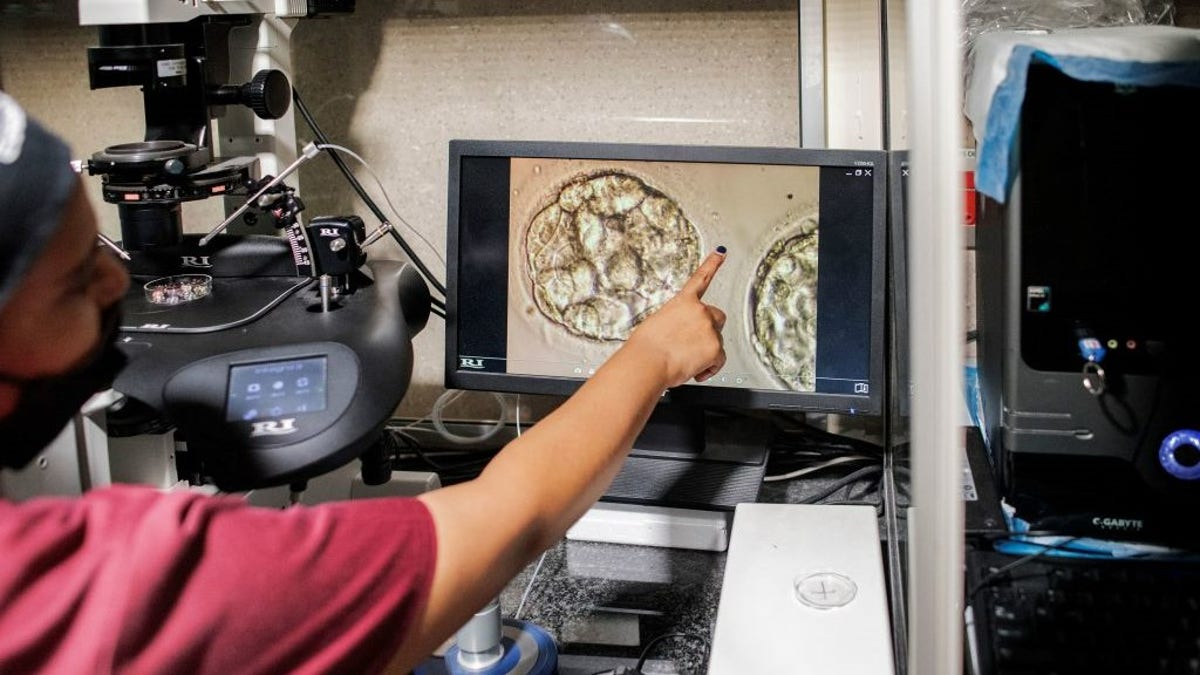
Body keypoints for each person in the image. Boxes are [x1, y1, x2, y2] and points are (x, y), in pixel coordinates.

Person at [0, 91, 728, 674]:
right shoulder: (104, 594)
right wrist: (654, 354)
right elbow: (512, 516)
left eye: (102, 246)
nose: (117, 279)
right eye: (74, 279)